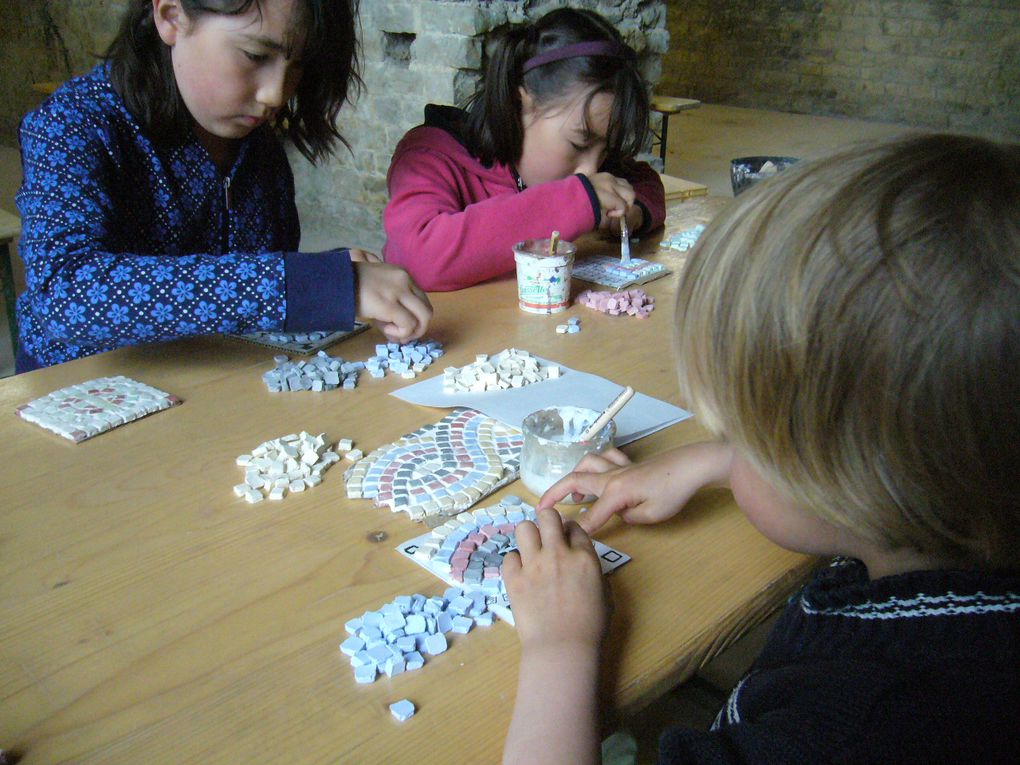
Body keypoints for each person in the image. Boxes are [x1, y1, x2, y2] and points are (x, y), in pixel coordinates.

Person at [501, 133, 1020, 764]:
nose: (726, 449)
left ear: (840, 479)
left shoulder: (851, 731)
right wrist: (710, 463)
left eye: (738, 438)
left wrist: (560, 646)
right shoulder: (973, 534)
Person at [15, 0, 432, 373]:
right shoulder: (71, 125)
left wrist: (327, 272)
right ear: (171, 16)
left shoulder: (257, 145)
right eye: (256, 55)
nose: (275, 94)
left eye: (298, 65)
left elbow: (234, 278)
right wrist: (312, 283)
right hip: (78, 394)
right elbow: (66, 295)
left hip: (212, 385)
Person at [382, 7, 665, 292]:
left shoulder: (587, 159)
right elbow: (421, 258)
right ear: (522, 104)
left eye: (605, 152)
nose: (591, 169)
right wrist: (578, 200)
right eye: (579, 142)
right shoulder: (430, 156)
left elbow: (643, 180)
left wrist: (634, 211)